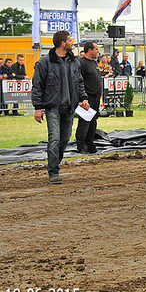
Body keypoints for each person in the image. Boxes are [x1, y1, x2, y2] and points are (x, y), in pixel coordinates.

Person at [31, 30, 90, 184]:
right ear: (63, 43)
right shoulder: (44, 62)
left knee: (64, 140)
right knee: (54, 139)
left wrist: (83, 98)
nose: (72, 42)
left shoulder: (74, 62)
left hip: (69, 108)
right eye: (70, 40)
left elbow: (79, 83)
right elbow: (37, 86)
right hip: (53, 107)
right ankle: (53, 172)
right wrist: (38, 107)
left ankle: (55, 163)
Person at [76, 41, 102, 154]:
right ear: (89, 50)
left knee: (93, 121)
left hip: (96, 97)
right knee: (84, 122)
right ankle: (81, 145)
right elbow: (78, 82)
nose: (98, 51)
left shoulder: (94, 63)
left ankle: (90, 143)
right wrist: (81, 99)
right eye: (96, 49)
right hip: (87, 97)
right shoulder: (82, 63)